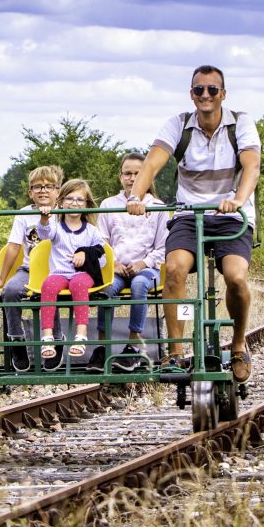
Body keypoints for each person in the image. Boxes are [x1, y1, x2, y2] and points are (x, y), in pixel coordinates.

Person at [126, 65, 261, 383]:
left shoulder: (240, 123)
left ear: (222, 94)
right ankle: (175, 352)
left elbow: (251, 166)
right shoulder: (179, 124)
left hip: (230, 215)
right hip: (190, 214)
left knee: (236, 278)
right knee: (173, 270)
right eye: (199, 90)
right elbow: (153, 161)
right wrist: (136, 195)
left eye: (212, 90)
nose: (205, 95)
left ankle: (239, 344)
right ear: (191, 94)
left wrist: (238, 199)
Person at [0, 165, 65, 371]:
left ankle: (55, 339)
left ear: (58, 191)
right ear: (30, 192)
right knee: (10, 292)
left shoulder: (65, 211)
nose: (43, 190)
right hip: (29, 270)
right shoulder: (23, 215)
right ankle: (17, 340)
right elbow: (14, 247)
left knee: (51, 289)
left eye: (49, 186)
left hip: (57, 270)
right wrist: (2, 279)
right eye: (37, 186)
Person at [97, 153, 168, 371]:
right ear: (120, 177)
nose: (132, 178)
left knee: (139, 285)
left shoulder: (157, 206)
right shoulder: (109, 204)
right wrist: (113, 263)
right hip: (117, 268)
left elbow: (163, 247)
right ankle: (102, 345)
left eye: (138, 174)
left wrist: (143, 263)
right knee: (105, 289)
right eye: (127, 174)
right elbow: (100, 242)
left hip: (147, 269)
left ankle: (133, 343)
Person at [36, 179, 106, 362]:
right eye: (70, 199)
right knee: (48, 285)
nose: (75, 203)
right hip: (60, 273)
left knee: (78, 284)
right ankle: (47, 337)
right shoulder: (57, 228)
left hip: (81, 274)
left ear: (86, 204)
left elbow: (103, 258)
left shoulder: (91, 231)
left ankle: (81, 334)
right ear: (61, 202)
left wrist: (86, 255)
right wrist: (44, 218)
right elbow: (44, 234)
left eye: (80, 200)